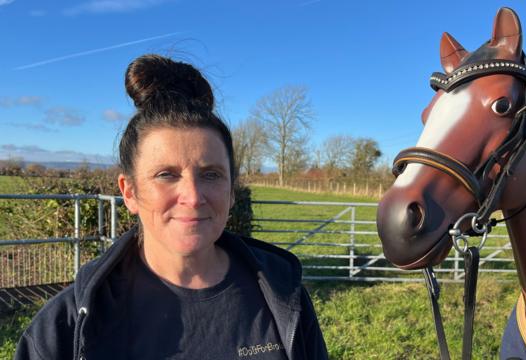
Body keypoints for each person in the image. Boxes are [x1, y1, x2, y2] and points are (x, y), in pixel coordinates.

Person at [15, 54, 328, 360]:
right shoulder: (62, 329)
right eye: (166, 175)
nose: (192, 196)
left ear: (232, 191)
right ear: (130, 192)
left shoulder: (286, 300)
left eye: (211, 174)